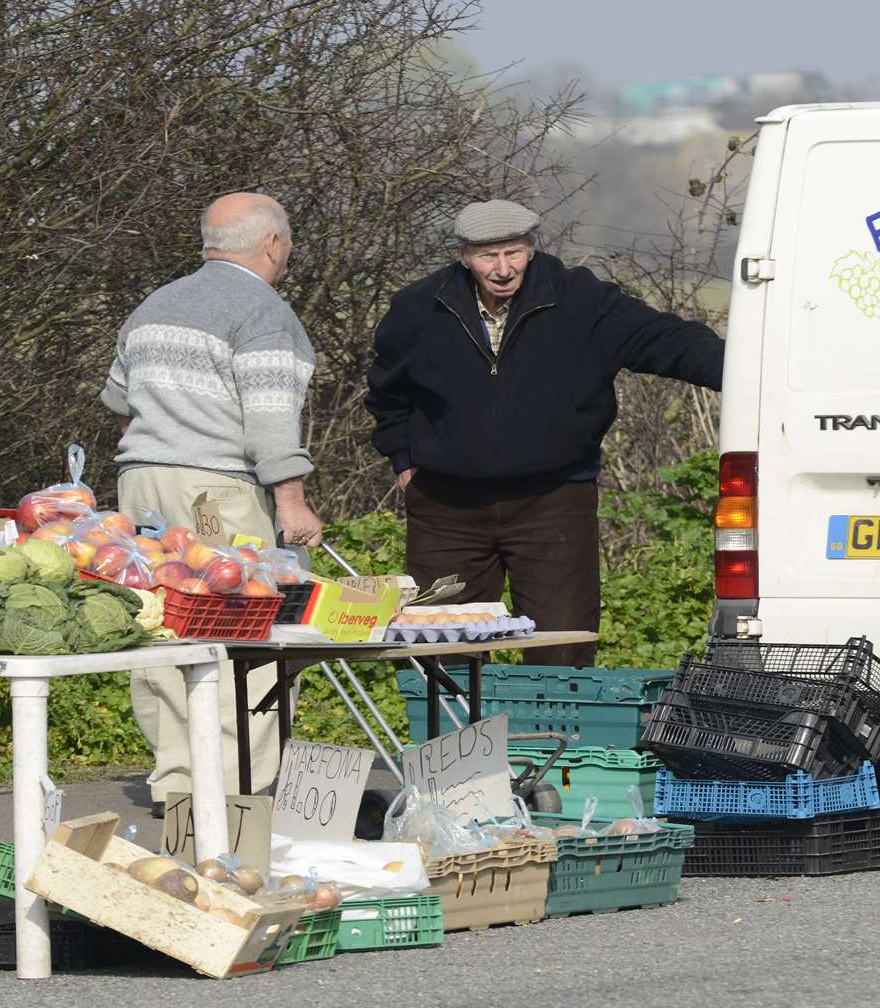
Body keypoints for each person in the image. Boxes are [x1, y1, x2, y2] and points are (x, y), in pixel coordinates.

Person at [365, 199, 724, 667]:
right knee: (440, 647)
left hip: (552, 500)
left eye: (513, 253)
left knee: (562, 644)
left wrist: (747, 368)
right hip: (445, 507)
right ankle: (455, 741)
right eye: (487, 256)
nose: (502, 269)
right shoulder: (419, 306)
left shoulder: (581, 299)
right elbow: (387, 390)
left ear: (531, 249)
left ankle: (553, 742)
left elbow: (664, 340)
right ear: (463, 256)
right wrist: (403, 460)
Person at [101, 191, 325, 813]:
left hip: (141, 485)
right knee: (249, 631)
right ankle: (233, 786)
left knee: (163, 625)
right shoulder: (264, 313)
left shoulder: (156, 303)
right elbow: (273, 424)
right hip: (218, 491)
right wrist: (292, 502)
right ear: (272, 244)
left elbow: (119, 404)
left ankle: (176, 782)